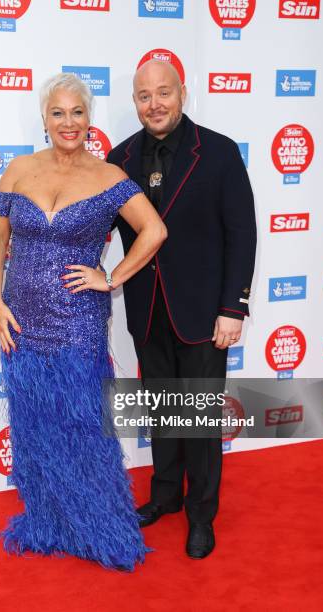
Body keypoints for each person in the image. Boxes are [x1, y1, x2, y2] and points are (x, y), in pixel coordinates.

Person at [0, 73, 167, 571]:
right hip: (20, 322)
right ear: (45, 119)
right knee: (36, 427)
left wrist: (111, 277)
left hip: (78, 323)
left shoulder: (107, 177)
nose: (69, 122)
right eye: (58, 113)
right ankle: (49, 522)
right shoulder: (18, 170)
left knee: (85, 427)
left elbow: (154, 230)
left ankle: (101, 529)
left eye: (78, 113)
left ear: (90, 120)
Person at [107, 60, 256, 559]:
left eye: (163, 92)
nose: (155, 104)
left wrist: (232, 308)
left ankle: (201, 515)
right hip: (147, 310)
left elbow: (242, 234)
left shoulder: (218, 152)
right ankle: (166, 496)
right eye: (144, 95)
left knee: (198, 420)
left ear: (183, 93)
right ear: (135, 101)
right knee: (163, 414)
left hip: (202, 312)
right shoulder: (120, 157)